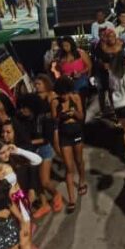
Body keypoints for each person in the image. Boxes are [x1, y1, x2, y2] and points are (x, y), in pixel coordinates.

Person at [53, 77, 87, 213]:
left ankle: (82, 181)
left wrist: (74, 113)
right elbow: (54, 121)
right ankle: (72, 199)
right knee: (69, 167)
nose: (64, 96)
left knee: (79, 160)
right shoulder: (55, 103)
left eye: (66, 93)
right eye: (61, 94)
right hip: (64, 136)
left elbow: (81, 117)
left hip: (77, 132)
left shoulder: (76, 98)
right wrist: (60, 115)